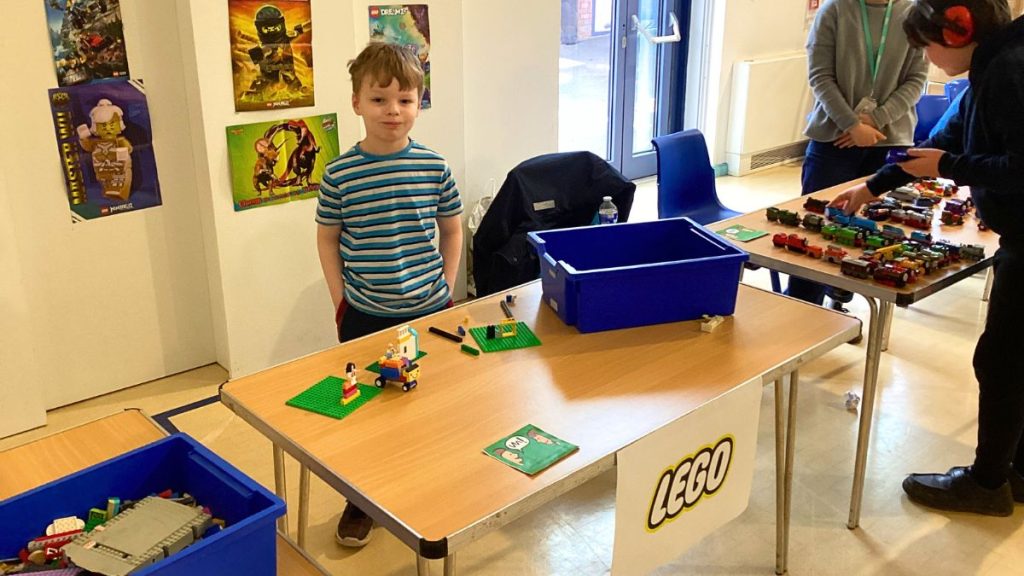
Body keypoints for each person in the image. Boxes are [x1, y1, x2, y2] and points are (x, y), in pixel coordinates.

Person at [830, 0, 1024, 516]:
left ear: (957, 31)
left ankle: (987, 485)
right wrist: (872, 186)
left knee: (1002, 364)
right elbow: (936, 146)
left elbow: (1015, 167)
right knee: (1016, 361)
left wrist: (951, 165)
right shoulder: (994, 65)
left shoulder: (1009, 70)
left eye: (928, 45)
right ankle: (1018, 471)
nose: (929, 58)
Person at [315, 42, 463, 545]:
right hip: (363, 314)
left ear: (419, 103)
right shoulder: (339, 174)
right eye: (379, 99)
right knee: (366, 413)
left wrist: (447, 286)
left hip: (428, 309)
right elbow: (327, 239)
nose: (392, 111)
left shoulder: (435, 166)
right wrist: (340, 300)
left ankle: (426, 487)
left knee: (425, 405)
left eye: (405, 99)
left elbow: (452, 229)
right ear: (356, 102)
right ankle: (362, 502)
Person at [788, 0, 929, 307]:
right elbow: (820, 76)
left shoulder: (913, 11)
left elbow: (917, 79)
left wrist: (875, 120)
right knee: (816, 224)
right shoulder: (834, 9)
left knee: (869, 229)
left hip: (888, 140)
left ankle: (840, 301)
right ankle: (802, 306)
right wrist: (851, 124)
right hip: (834, 139)